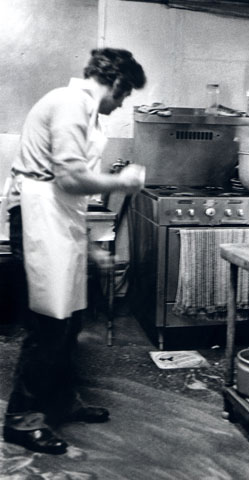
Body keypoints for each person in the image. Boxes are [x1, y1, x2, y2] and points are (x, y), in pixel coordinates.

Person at [2, 48, 146, 455]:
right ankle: (21, 420)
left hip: (56, 215)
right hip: (36, 213)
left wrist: (85, 244)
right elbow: (67, 178)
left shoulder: (82, 108)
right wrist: (124, 181)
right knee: (48, 322)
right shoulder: (69, 104)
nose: (121, 103)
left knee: (70, 321)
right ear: (115, 82)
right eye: (124, 95)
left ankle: (59, 400)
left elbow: (66, 186)